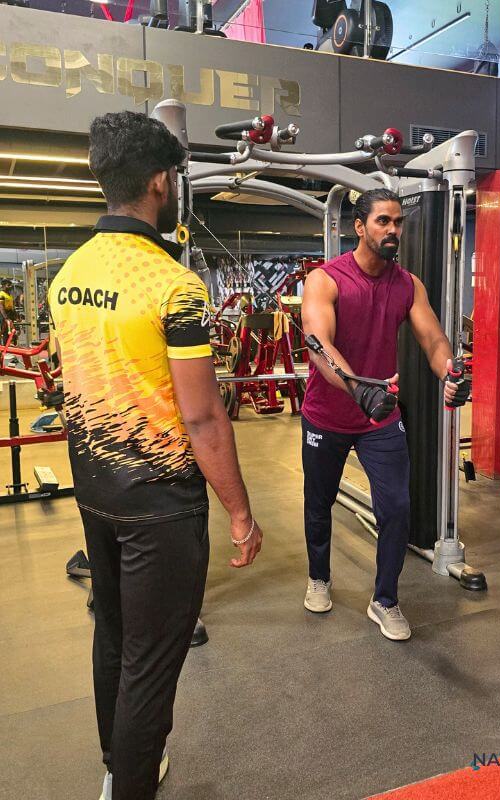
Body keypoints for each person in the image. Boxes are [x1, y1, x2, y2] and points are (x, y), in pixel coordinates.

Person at [48, 111, 263, 800]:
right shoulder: (173, 284)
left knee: (112, 636)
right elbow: (202, 416)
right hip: (161, 506)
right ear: (160, 182)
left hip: (97, 495)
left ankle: (118, 761)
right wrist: (240, 514)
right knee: (150, 661)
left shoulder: (68, 275)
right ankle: (130, 785)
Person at [300, 188, 468, 641]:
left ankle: (386, 600)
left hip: (380, 417)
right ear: (359, 226)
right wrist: (358, 389)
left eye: (398, 222)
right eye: (383, 222)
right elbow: (319, 346)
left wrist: (449, 371)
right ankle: (319, 577)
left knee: (396, 506)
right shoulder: (326, 279)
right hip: (327, 414)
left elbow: (433, 339)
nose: (393, 230)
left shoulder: (408, 284)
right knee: (319, 504)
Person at [0, 278, 15, 344]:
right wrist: (5, 318)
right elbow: (1, 306)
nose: (10, 287)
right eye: (8, 285)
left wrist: (15, 314)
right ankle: (3, 347)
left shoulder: (10, 295)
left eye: (10, 285)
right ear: (3, 286)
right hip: (3, 314)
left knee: (10, 331)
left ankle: (8, 345)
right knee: (4, 331)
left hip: (10, 313)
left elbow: (12, 306)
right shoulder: (1, 294)